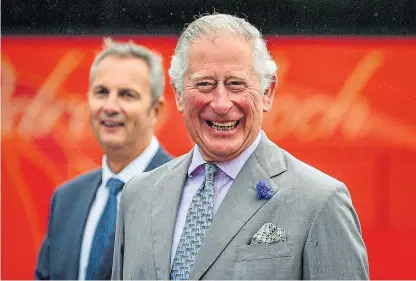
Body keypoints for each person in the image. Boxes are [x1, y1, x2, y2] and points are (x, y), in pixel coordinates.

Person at [112, 13, 369, 280]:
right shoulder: (137, 196)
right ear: (178, 94)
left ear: (267, 92)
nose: (221, 104)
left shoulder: (320, 201)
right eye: (205, 84)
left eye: (236, 84)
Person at [35, 38, 172, 280]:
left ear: (156, 111)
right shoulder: (66, 199)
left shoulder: (182, 191)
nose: (110, 106)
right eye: (102, 92)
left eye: (127, 95)